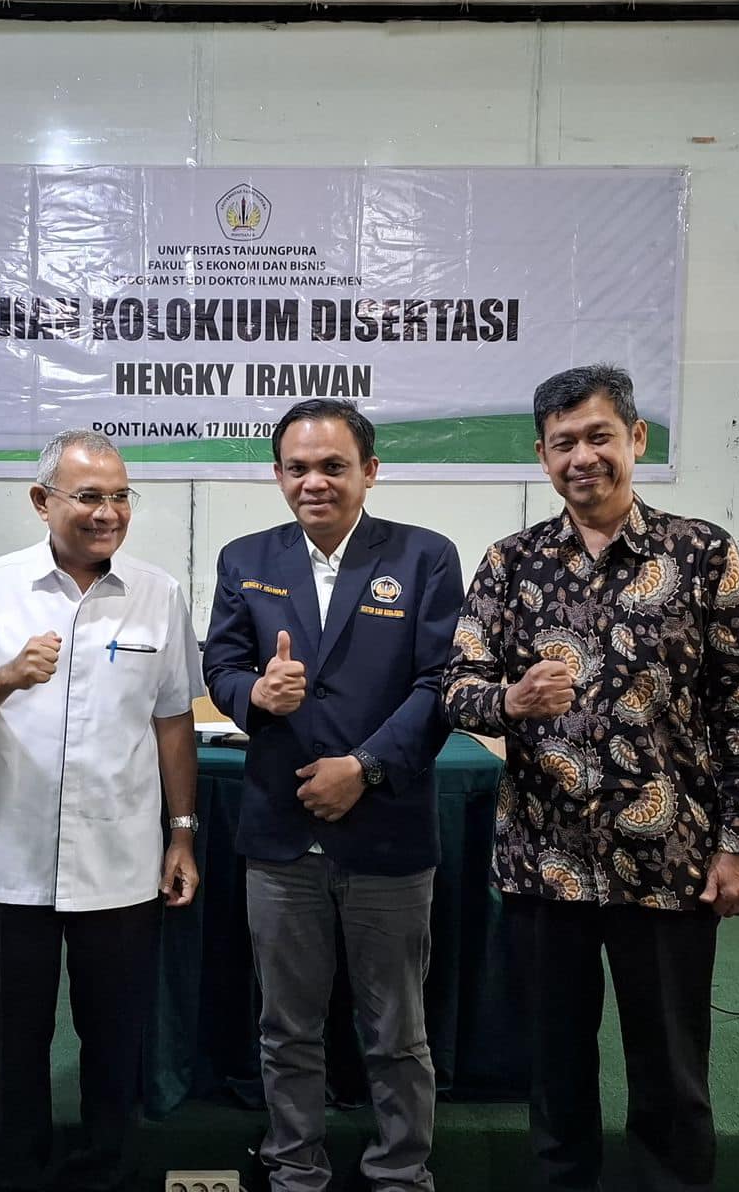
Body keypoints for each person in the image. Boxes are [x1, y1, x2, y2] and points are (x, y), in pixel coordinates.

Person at [441, 363, 739, 1192]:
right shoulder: (511, 562)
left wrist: (738, 842)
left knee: (670, 1069)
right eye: (563, 443)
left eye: (598, 436)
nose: (582, 457)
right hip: (544, 861)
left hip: (667, 859)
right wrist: (509, 700)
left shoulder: (702, 552)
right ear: (541, 455)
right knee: (554, 1069)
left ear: (637, 439)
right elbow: (457, 687)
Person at [0, 429, 203, 1192]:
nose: (107, 512)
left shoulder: (158, 593)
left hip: (121, 865)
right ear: (41, 501)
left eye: (119, 496)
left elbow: (173, 720)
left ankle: (107, 1173)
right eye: (88, 496)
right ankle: (15, 1174)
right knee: (15, 1045)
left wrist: (181, 835)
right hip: (13, 866)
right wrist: (8, 676)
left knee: (114, 1045)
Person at [203, 399, 464, 1192]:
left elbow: (440, 683)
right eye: (297, 468)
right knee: (286, 1027)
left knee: (396, 1030)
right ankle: (294, 1168)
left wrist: (365, 767)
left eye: (332, 466)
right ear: (278, 475)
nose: (313, 482)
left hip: (386, 830)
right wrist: (255, 694)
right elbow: (222, 667)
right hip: (280, 836)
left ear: (369, 472)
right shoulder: (245, 558)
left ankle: (401, 1172)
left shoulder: (425, 557)